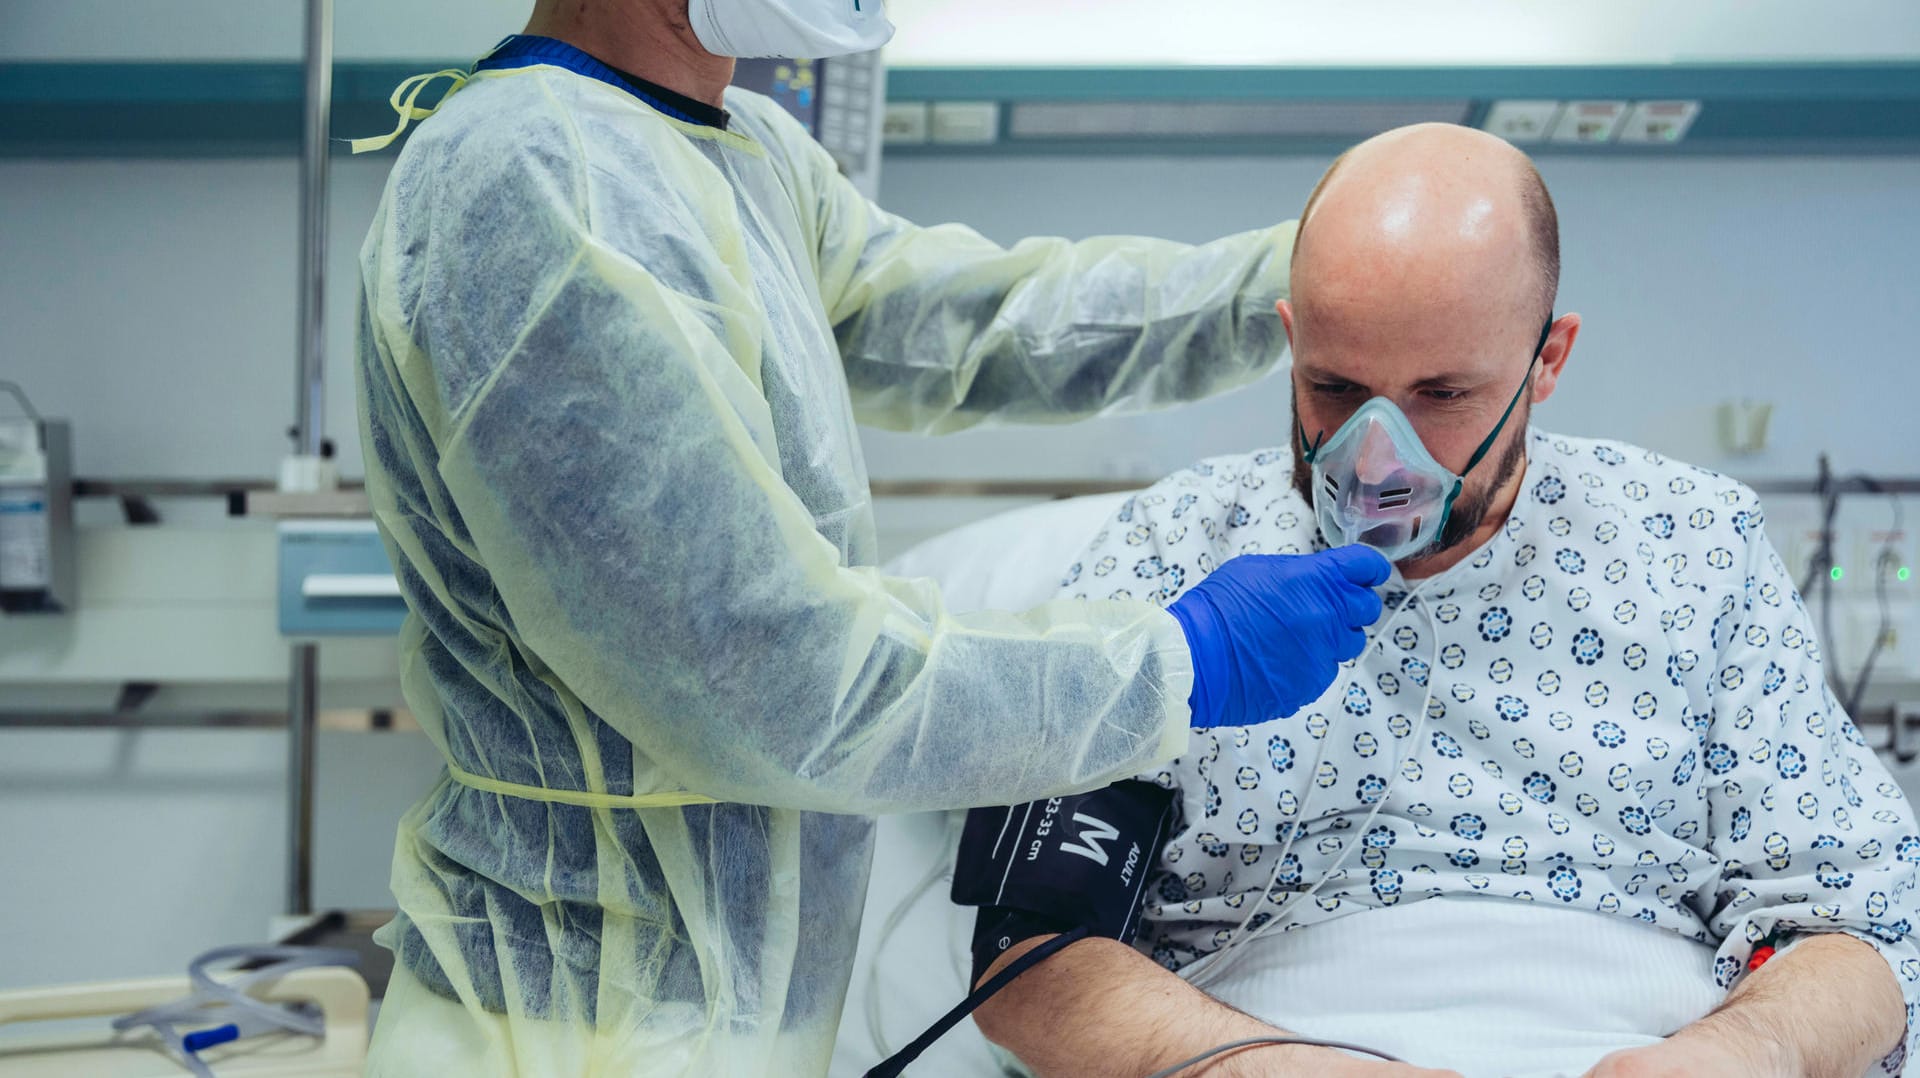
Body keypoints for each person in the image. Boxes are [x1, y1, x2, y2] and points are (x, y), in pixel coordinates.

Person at [350, 0, 1394, 1074]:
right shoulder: (537, 185)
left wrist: (1307, 280)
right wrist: (1176, 663)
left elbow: (986, 328)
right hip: (568, 1027)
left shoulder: (744, 153)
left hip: (721, 1021)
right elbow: (769, 677)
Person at [969, 123, 1920, 1078]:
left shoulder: (1695, 544)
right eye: (1335, 387)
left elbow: (1863, 926)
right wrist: (1259, 1068)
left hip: (1641, 1037)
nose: (1378, 456)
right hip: (1252, 1041)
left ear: (1547, 360)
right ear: (1292, 340)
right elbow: (1031, 954)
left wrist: (1747, 1051)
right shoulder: (1172, 550)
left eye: (1444, 394)